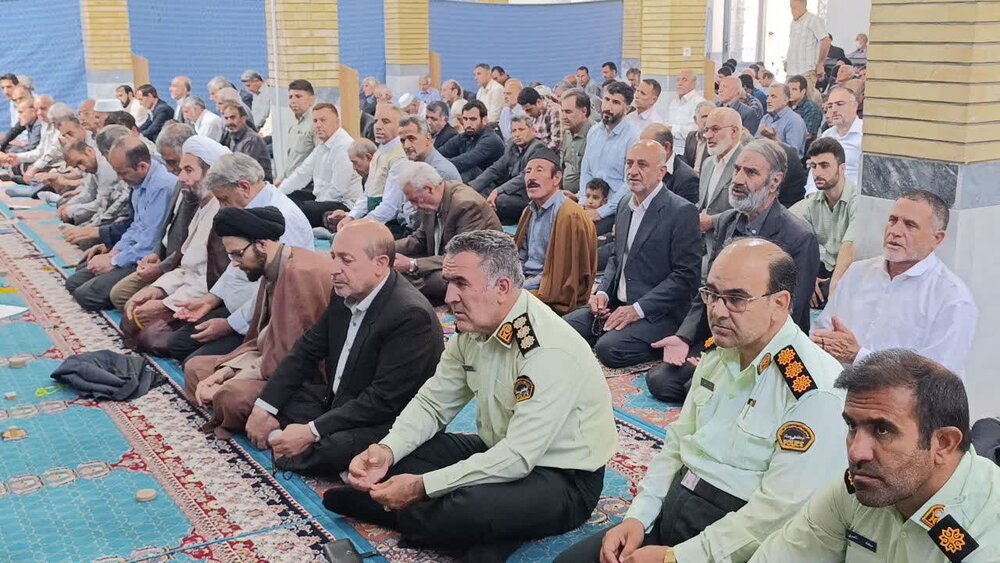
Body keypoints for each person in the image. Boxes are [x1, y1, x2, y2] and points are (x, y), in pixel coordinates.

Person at [325, 230, 618, 560]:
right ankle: (479, 532)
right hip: (497, 447)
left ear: (502, 288)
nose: (449, 296)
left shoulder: (547, 351)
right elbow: (433, 404)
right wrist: (387, 451)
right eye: (448, 282)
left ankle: (437, 521)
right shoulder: (475, 329)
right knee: (403, 459)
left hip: (562, 476)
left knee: (466, 507)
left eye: (461, 283)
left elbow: (518, 458)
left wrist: (422, 487)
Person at [558, 239, 847, 563]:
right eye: (712, 294)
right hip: (678, 509)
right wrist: (638, 517)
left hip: (739, 544)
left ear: (779, 303)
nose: (718, 312)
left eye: (736, 299)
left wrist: (678, 558)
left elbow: (778, 513)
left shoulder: (812, 387)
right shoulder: (720, 354)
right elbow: (678, 443)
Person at [751, 350, 1000, 562]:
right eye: (852, 426)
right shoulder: (862, 485)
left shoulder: (987, 534)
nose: (856, 452)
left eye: (882, 430)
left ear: (944, 443)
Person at [244, 220, 444, 476]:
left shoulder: (410, 315)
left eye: (346, 261)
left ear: (380, 264)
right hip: (341, 400)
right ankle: (296, 441)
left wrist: (311, 431)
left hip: (385, 419)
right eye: (333, 258)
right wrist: (265, 407)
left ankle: (297, 448)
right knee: (263, 402)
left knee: (332, 449)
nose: (334, 269)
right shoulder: (345, 292)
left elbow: (382, 401)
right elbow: (307, 351)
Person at [647, 139, 818, 403]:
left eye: (750, 173)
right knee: (661, 380)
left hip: (770, 345)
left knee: (705, 388)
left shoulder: (798, 236)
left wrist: (730, 356)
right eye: (737, 169)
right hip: (726, 334)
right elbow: (710, 290)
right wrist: (685, 337)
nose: (737, 180)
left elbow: (790, 313)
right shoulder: (728, 222)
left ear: (774, 182)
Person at [183, 206, 334, 437]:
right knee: (196, 368)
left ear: (261, 244)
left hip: (302, 380)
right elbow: (260, 340)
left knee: (230, 397)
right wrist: (224, 373)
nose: (235, 263)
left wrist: (228, 381)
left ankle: (238, 411)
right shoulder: (271, 266)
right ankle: (229, 409)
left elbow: (291, 359)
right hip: (267, 360)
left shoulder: (299, 274)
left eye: (238, 254)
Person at [166, 153, 314, 364]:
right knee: (177, 344)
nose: (222, 207)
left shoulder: (283, 218)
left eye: (224, 200)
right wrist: (210, 300)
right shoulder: (249, 207)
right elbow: (236, 264)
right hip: (236, 307)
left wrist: (230, 325)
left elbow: (275, 291)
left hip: (264, 318)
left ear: (244, 187)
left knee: (195, 362)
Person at [565, 140, 701, 368]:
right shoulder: (624, 204)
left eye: (642, 165)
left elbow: (685, 277)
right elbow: (616, 258)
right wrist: (603, 293)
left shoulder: (681, 212)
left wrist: (637, 310)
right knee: (564, 328)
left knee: (608, 349)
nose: (633, 171)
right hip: (617, 303)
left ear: (661, 172)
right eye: (629, 164)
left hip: (658, 313)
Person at [812, 191, 978, 378]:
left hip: (898, 396)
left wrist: (858, 356)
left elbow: (937, 377)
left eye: (910, 225)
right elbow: (822, 331)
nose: (895, 231)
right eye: (893, 220)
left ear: (937, 239)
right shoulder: (858, 272)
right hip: (837, 386)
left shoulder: (953, 299)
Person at [121, 136, 229, 355]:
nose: (180, 178)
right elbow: (186, 266)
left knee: (150, 336)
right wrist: (157, 290)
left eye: (188, 170)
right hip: (186, 289)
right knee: (131, 315)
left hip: (208, 298)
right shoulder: (204, 206)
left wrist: (167, 305)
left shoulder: (222, 212)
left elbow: (212, 280)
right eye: (181, 170)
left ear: (211, 174)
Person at [65, 136, 178, 311]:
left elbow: (149, 243)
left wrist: (114, 261)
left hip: (148, 259)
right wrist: (114, 252)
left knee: (86, 295)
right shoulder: (140, 181)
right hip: (134, 251)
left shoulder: (162, 187)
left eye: (123, 173)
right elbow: (135, 226)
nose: (119, 178)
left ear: (142, 167)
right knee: (75, 281)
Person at [107, 123, 198, 310]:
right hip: (161, 259)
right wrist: (155, 254)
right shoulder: (180, 183)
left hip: (184, 271)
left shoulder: (170, 185)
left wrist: (160, 267)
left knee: (126, 303)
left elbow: (186, 250)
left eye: (172, 162)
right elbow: (160, 230)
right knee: (115, 294)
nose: (170, 170)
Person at [394, 161, 501, 302]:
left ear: (429, 189)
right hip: (447, 261)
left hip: (479, 268)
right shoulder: (432, 201)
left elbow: (460, 257)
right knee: (396, 270)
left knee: (418, 278)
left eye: (415, 200)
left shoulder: (466, 205)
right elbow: (419, 239)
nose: (414, 207)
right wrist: (385, 248)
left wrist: (412, 264)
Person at [514, 148, 597, 314]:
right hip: (528, 282)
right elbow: (520, 257)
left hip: (551, 290)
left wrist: (519, 287)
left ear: (557, 178)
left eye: (539, 170)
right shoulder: (528, 211)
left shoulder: (570, 215)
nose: (531, 177)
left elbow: (564, 277)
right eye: (528, 172)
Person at [790, 138, 858, 308]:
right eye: (813, 166)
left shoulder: (857, 200)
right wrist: (808, 278)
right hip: (825, 268)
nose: (817, 173)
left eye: (824, 165)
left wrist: (834, 287)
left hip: (852, 271)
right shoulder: (812, 205)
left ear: (842, 168)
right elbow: (794, 242)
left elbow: (850, 247)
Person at [276, 103, 362, 228]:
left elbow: (337, 190)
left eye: (323, 120)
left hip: (344, 205)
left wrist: (315, 203)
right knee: (290, 197)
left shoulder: (344, 146)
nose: (318, 125)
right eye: (315, 121)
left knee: (306, 209)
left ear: (337, 122)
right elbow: (301, 174)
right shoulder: (322, 146)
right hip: (322, 199)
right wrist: (278, 194)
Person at [333, 103, 408, 235]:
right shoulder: (380, 152)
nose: (378, 126)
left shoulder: (400, 157)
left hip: (390, 226)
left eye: (385, 121)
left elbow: (390, 207)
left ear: (400, 127)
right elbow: (368, 194)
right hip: (374, 219)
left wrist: (359, 225)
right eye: (376, 121)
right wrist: (351, 217)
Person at [580, 81, 640, 224]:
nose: (608, 107)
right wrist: (583, 202)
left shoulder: (633, 138)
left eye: (616, 102)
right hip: (590, 203)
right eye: (606, 99)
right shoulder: (594, 132)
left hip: (616, 209)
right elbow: (586, 171)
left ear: (627, 109)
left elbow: (629, 184)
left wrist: (601, 212)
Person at [470, 114, 545, 224]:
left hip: (528, 194)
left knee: (500, 200)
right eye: (514, 131)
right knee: (481, 191)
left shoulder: (538, 148)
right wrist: (471, 187)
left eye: (521, 129)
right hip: (510, 191)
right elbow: (496, 168)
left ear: (533, 130)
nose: (517, 134)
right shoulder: (511, 145)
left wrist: (498, 191)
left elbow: (524, 177)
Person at [696, 107, 745, 260]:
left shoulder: (747, 164)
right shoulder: (707, 163)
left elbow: (749, 211)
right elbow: (704, 204)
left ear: (734, 132)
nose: (708, 135)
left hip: (730, 247)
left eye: (715, 129)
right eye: (706, 130)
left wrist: (713, 221)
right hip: (701, 245)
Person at [57, 135, 130, 229]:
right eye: (77, 166)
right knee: (63, 204)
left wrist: (87, 227)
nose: (82, 168)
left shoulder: (105, 167)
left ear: (89, 151)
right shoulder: (93, 163)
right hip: (106, 207)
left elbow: (103, 206)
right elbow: (88, 193)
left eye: (80, 162)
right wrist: (68, 206)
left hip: (119, 211)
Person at [809, 87, 863, 189]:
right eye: (830, 106)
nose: (833, 110)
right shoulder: (827, 135)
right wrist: (811, 193)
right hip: (823, 193)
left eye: (840, 104)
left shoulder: (865, 135)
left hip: (853, 195)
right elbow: (814, 168)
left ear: (855, 106)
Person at [438, 100, 505, 183]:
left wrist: (438, 164)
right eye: (465, 119)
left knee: (468, 170)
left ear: (484, 120)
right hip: (475, 183)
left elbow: (467, 161)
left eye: (473, 119)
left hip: (492, 185)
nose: (468, 124)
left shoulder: (491, 139)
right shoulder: (465, 136)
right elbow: (441, 152)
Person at [641, 123, 701, 205]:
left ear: (666, 147)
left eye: (648, 148)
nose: (643, 153)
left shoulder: (688, 180)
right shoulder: (642, 169)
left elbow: (685, 211)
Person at [276, 79, 317, 182]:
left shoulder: (316, 124)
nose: (293, 101)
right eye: (290, 97)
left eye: (298, 96)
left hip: (306, 186)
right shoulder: (294, 125)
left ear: (312, 100)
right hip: (291, 182)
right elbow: (292, 161)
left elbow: (321, 160)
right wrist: (281, 180)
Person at [221, 102, 272, 182]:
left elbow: (245, 172)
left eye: (233, 117)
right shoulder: (233, 137)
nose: (229, 122)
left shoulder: (252, 140)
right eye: (226, 118)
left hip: (256, 185)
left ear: (243, 119)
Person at [756, 83, 808, 158]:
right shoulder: (766, 118)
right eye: (768, 96)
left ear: (785, 100)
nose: (768, 100)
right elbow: (756, 143)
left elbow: (793, 154)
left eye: (773, 96)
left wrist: (774, 139)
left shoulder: (794, 121)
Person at [787, 0, 832, 87]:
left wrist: (820, 64)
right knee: (786, 95)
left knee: (805, 95)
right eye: (791, 8)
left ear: (804, 5)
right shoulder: (793, 23)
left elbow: (826, 41)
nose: (792, 11)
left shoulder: (814, 20)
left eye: (795, 8)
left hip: (807, 71)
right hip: (791, 72)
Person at [663, 70, 705, 154]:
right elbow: (667, 121)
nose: (679, 83)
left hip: (688, 150)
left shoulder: (699, 103)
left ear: (694, 83)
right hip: (670, 148)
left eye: (684, 80)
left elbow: (695, 129)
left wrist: (672, 129)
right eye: (678, 80)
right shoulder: (674, 101)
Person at [559, 89, 593, 194]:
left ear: (584, 111)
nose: (563, 117)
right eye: (562, 111)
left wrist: (577, 196)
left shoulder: (594, 135)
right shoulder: (567, 133)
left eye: (568, 112)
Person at [518, 86, 563, 152]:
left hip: (550, 154)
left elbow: (557, 143)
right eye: (525, 111)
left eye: (529, 110)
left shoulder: (554, 111)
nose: (528, 114)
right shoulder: (532, 114)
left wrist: (538, 154)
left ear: (538, 102)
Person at [683, 101, 716, 175]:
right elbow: (685, 163)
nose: (708, 120)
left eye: (711, 116)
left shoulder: (716, 140)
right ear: (695, 120)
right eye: (704, 116)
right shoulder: (691, 137)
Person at [788, 74, 823, 141]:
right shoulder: (786, 105)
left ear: (803, 91)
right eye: (788, 89)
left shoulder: (812, 109)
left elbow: (808, 135)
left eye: (794, 89)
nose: (790, 92)